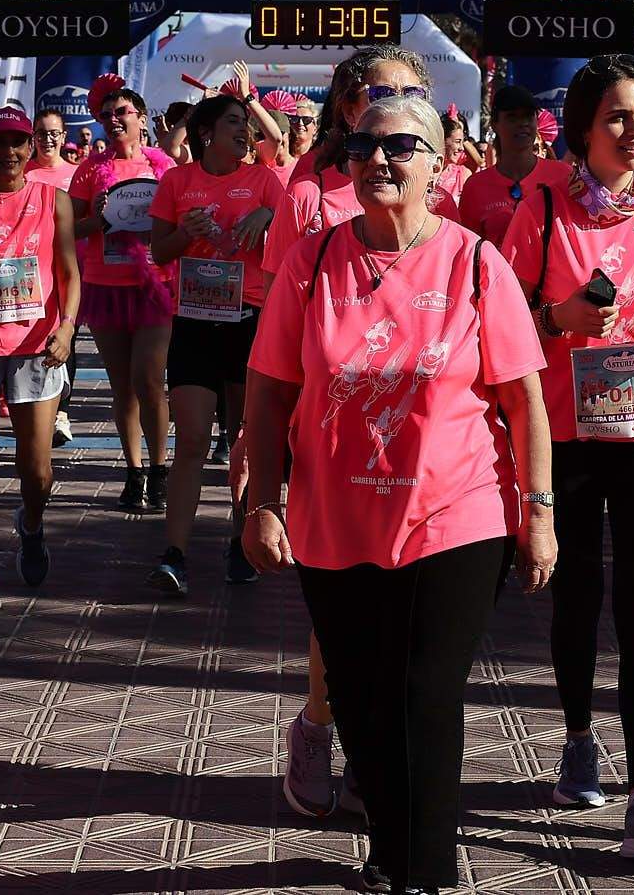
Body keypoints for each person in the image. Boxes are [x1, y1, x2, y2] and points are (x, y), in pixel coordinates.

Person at [242, 90, 554, 895]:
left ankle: (423, 870)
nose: (380, 160)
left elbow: (524, 401)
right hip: (333, 516)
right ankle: (389, 838)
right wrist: (262, 498)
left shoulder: (476, 262)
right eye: (364, 147)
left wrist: (540, 512)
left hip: (456, 511)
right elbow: (272, 388)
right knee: (359, 692)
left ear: (441, 164)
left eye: (402, 146)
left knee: (422, 688)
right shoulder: (313, 261)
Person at [502, 54, 634, 858]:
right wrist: (560, 320)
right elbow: (511, 316)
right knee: (579, 594)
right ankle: (579, 737)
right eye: (617, 117)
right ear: (584, 130)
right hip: (567, 431)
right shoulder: (544, 207)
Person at [259, 45, 434, 818]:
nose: (392, 103)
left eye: (409, 92)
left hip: (418, 439)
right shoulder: (311, 198)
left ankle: (378, 759)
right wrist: (254, 458)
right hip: (328, 440)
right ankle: (321, 722)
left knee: (408, 614)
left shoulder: (439, 189)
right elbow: (271, 343)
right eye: (377, 93)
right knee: (346, 611)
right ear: (345, 106)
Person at [146, 93, 283, 596]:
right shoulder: (177, 182)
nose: (244, 132)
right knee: (192, 442)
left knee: (243, 444)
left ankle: (239, 540)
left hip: (249, 321)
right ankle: (174, 554)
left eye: (246, 124)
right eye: (234, 124)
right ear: (207, 133)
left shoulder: (264, 181)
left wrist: (266, 217)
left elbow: (291, 231)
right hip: (194, 322)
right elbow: (158, 252)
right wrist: (185, 233)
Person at [0, 106, 79, 616]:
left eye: (18, 142)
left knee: (37, 469)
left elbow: (69, 271)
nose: (8, 152)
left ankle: (31, 522)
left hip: (36, 345)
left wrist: (67, 327)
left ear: (31, 148)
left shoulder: (54, 200)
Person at [70, 74, 175, 511]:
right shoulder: (90, 170)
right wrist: (98, 221)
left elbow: (177, 221)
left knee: (149, 380)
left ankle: (160, 468)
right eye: (106, 115)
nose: (114, 120)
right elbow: (70, 228)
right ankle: (133, 471)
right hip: (105, 285)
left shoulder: (163, 167)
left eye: (123, 112)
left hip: (155, 285)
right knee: (122, 387)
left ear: (142, 118)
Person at [457, 85, 571, 246]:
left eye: (528, 116)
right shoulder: (475, 186)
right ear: (495, 124)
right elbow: (468, 249)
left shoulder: (563, 176)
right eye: (512, 117)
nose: (523, 123)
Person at [29, 107, 76, 185]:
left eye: (54, 134)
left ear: (63, 137)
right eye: (42, 133)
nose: (48, 139)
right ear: (34, 136)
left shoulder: (76, 173)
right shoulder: (21, 173)